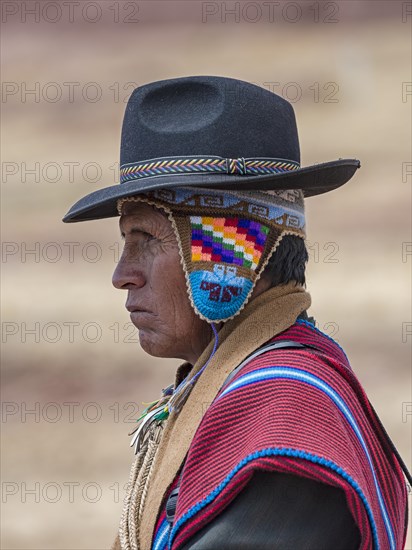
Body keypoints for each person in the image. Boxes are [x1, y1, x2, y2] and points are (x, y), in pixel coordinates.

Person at [63, 76, 409, 550]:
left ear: (225, 255)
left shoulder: (286, 416)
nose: (122, 275)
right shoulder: (227, 390)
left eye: (145, 241)